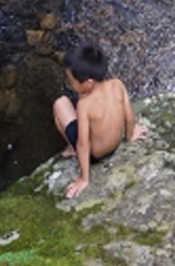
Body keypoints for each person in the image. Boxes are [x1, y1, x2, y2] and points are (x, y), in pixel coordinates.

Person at [52, 42, 147, 199]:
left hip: (94, 155)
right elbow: (129, 116)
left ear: (88, 82)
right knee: (76, 110)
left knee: (60, 104)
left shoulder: (84, 105)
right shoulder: (117, 84)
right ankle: (73, 147)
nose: (69, 83)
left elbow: (83, 143)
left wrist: (84, 179)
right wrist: (130, 136)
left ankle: (70, 148)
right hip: (114, 145)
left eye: (71, 81)